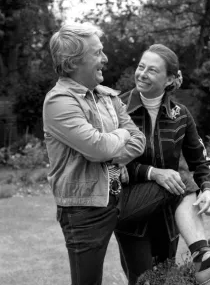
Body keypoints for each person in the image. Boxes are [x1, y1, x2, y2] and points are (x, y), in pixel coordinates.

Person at [43, 24, 185, 285]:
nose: (105, 59)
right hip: (83, 211)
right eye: (97, 53)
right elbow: (99, 148)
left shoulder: (106, 96)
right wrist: (118, 137)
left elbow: (138, 141)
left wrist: (109, 147)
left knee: (180, 183)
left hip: (119, 198)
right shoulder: (59, 101)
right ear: (74, 62)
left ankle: (204, 255)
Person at [115, 44, 210, 285]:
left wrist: (208, 189)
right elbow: (108, 162)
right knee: (144, 282)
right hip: (133, 217)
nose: (142, 74)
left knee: (166, 280)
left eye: (152, 70)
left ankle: (204, 258)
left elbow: (201, 161)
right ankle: (204, 258)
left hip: (169, 218)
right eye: (141, 67)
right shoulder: (116, 109)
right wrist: (152, 172)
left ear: (169, 78)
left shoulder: (181, 114)